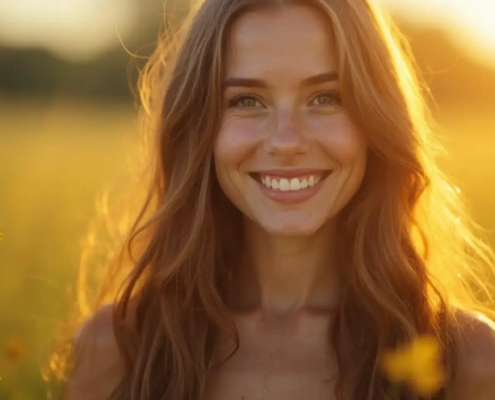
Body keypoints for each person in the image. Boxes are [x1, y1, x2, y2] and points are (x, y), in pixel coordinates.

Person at [63, 0, 495, 399]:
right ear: (199, 130)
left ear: (375, 121)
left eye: (326, 97)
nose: (286, 141)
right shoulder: (118, 350)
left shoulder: (468, 360)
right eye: (246, 100)